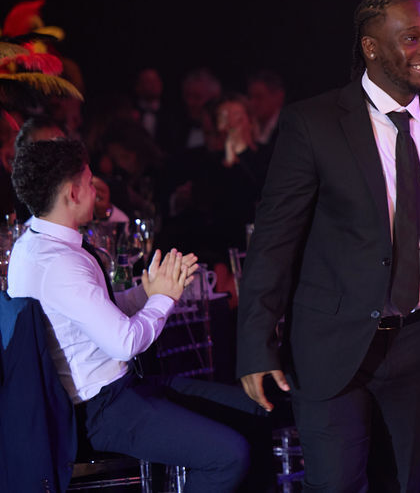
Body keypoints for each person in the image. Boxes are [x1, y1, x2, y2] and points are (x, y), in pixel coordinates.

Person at [236, 0, 420, 492]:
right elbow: (274, 243)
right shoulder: (315, 123)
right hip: (332, 344)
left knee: (416, 483)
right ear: (370, 47)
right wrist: (255, 343)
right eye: (411, 38)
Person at [6, 137, 252, 491]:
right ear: (72, 193)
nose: (96, 191)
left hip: (119, 392)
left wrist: (146, 293)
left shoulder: (33, 244)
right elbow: (124, 343)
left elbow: (92, 314)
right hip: (100, 410)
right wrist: (164, 298)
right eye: (89, 183)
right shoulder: (60, 263)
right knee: (230, 456)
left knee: (247, 407)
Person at [246, 69, 286, 147]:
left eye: (259, 97)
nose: (252, 103)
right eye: (250, 97)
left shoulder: (287, 128)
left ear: (279, 97)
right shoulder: (250, 127)